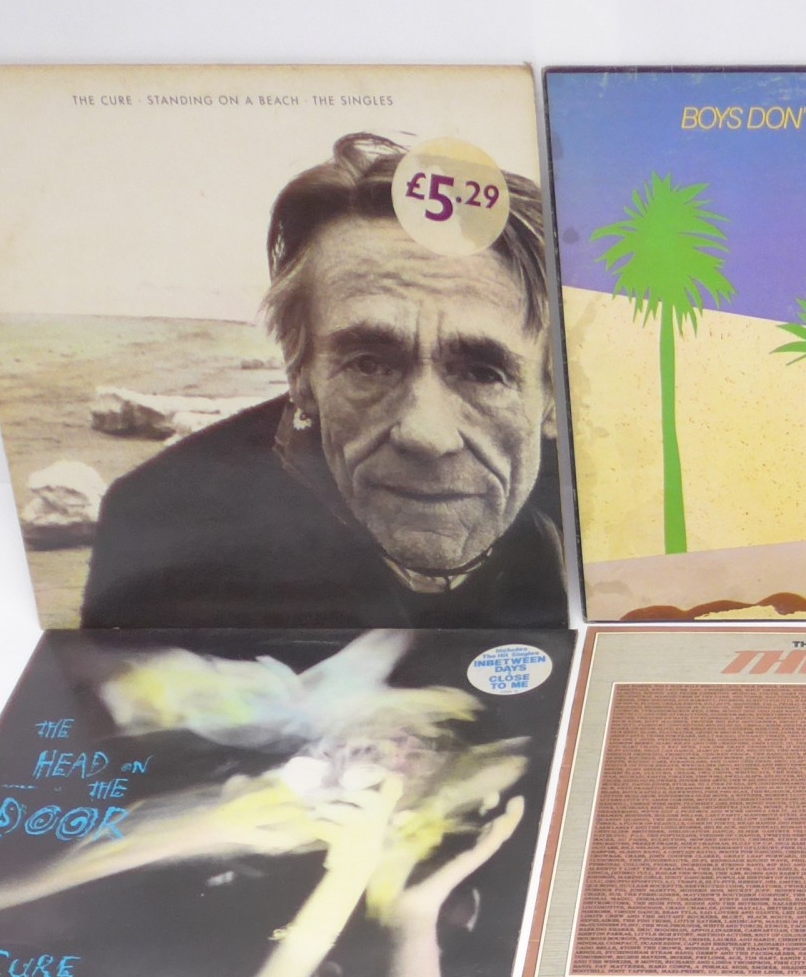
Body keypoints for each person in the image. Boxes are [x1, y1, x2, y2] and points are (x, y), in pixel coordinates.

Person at [82, 134, 569, 628]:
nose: (425, 434)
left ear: (554, 396)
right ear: (301, 374)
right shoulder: (162, 536)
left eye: (483, 374)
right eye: (369, 364)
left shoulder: (600, 517)